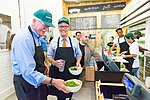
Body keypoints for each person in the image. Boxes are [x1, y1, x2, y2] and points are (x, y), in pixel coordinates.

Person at [11, 9, 70, 100]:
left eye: (48, 26)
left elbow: (34, 57)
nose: (47, 29)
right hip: (27, 83)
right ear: (34, 21)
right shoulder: (24, 39)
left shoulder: (37, 36)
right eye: (45, 25)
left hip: (38, 80)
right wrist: (52, 81)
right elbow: (28, 72)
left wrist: (43, 65)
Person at [47, 17, 82, 100]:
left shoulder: (74, 41)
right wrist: (54, 62)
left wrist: (78, 62)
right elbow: (49, 56)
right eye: (60, 26)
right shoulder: (54, 42)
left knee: (70, 92)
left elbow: (79, 54)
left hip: (70, 73)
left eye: (65, 26)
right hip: (57, 73)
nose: (63, 28)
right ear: (58, 28)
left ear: (69, 28)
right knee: (60, 95)